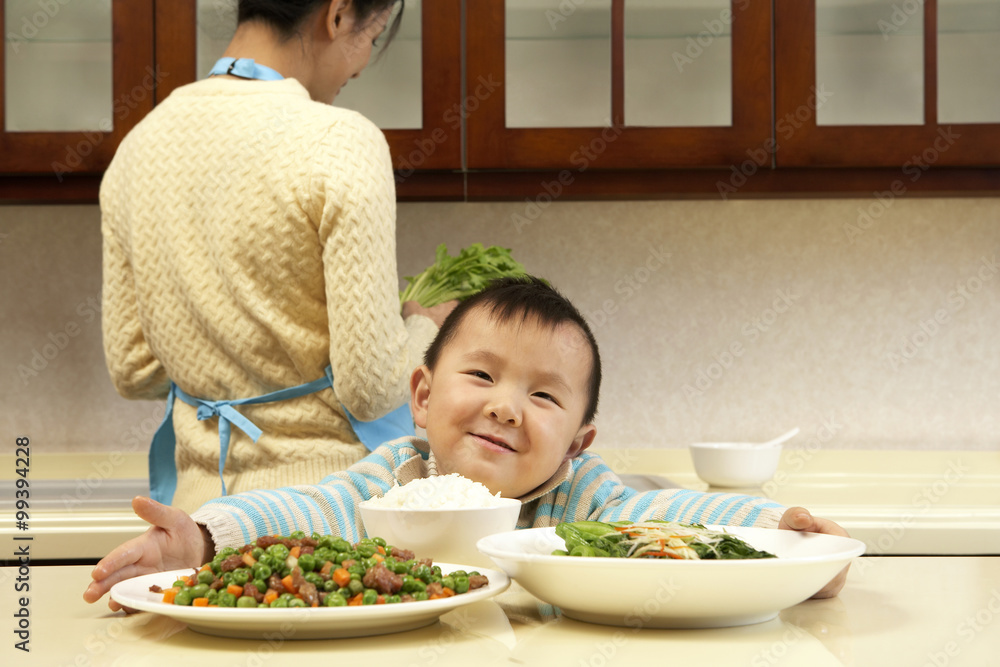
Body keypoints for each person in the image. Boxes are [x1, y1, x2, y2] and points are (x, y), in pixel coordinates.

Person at [84, 277, 851, 611]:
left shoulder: (577, 498)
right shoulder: (393, 476)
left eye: (543, 394)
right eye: (481, 373)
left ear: (579, 441)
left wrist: (782, 543)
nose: (507, 407)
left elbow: (665, 515)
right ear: (421, 397)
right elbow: (307, 509)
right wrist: (205, 539)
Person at [100, 0, 455, 514]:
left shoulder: (137, 148)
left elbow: (135, 370)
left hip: (194, 522)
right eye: (370, 40)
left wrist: (220, 348)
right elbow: (373, 389)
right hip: (327, 517)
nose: (360, 65)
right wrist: (424, 329)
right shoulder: (340, 141)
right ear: (337, 15)